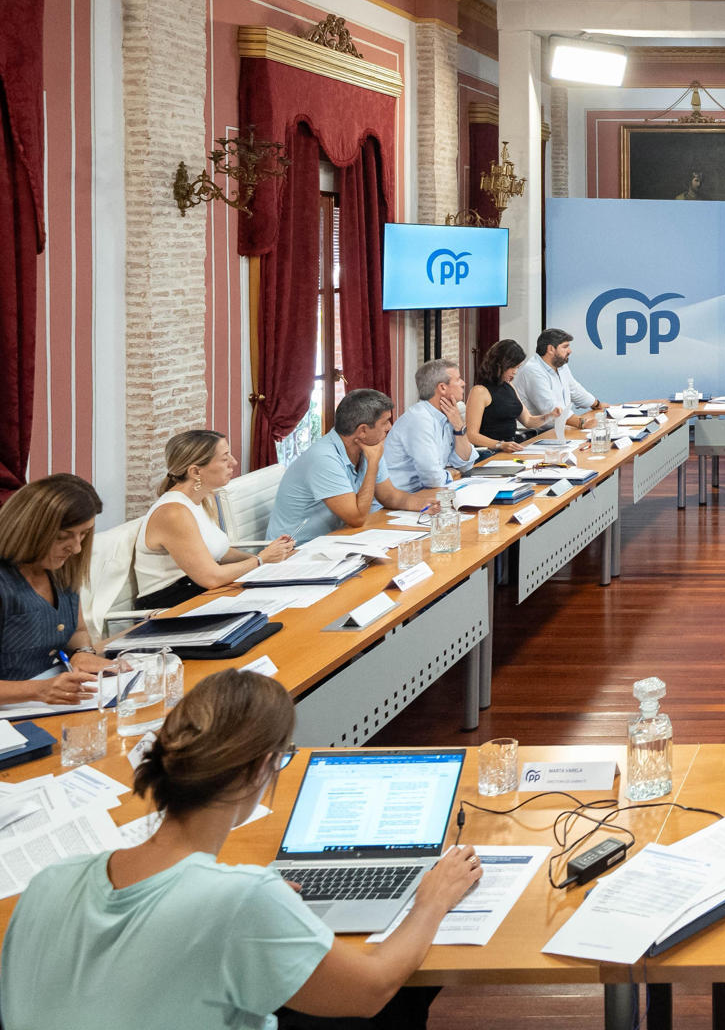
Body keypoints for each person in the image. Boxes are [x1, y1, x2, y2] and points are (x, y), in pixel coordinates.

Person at [0, 669, 481, 1029]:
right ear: (261, 768)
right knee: (409, 985)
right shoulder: (240, 898)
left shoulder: (49, 883)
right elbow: (371, 990)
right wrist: (432, 898)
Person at [135, 430, 297, 611]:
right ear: (195, 471)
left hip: (199, 592)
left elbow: (220, 551)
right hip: (172, 605)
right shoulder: (173, 513)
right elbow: (211, 578)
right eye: (224, 458)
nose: (233, 462)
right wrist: (261, 560)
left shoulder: (202, 498)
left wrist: (273, 557)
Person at [0, 474, 122, 708]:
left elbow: (77, 629)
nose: (76, 548)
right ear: (27, 530)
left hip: (47, 702)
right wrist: (37, 690)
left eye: (84, 534)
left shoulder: (59, 568)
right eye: (63, 537)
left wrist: (83, 652)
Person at [266, 389, 436, 543]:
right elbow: (357, 518)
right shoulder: (324, 458)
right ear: (362, 430)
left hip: (334, 541)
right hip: (294, 553)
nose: (389, 427)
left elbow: (390, 497)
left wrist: (426, 505)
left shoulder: (368, 447)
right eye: (385, 422)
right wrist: (373, 464)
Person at [384, 359, 478, 493]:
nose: (463, 383)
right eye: (458, 379)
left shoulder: (450, 414)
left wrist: (459, 427)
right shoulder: (419, 419)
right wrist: (451, 473)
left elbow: (466, 464)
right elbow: (433, 479)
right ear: (442, 387)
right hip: (398, 503)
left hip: (427, 495)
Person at [465, 339, 560, 454]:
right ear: (500, 364)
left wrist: (550, 416)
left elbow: (528, 420)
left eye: (518, 367)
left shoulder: (509, 386)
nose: (515, 372)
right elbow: (472, 435)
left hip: (512, 448)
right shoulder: (479, 391)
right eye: (513, 367)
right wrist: (500, 445)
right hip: (491, 452)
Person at [517, 328, 606, 431]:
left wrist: (597, 404)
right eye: (565, 347)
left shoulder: (560, 365)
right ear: (551, 349)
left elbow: (575, 390)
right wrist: (582, 423)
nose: (570, 351)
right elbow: (551, 408)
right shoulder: (532, 371)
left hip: (559, 428)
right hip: (537, 433)